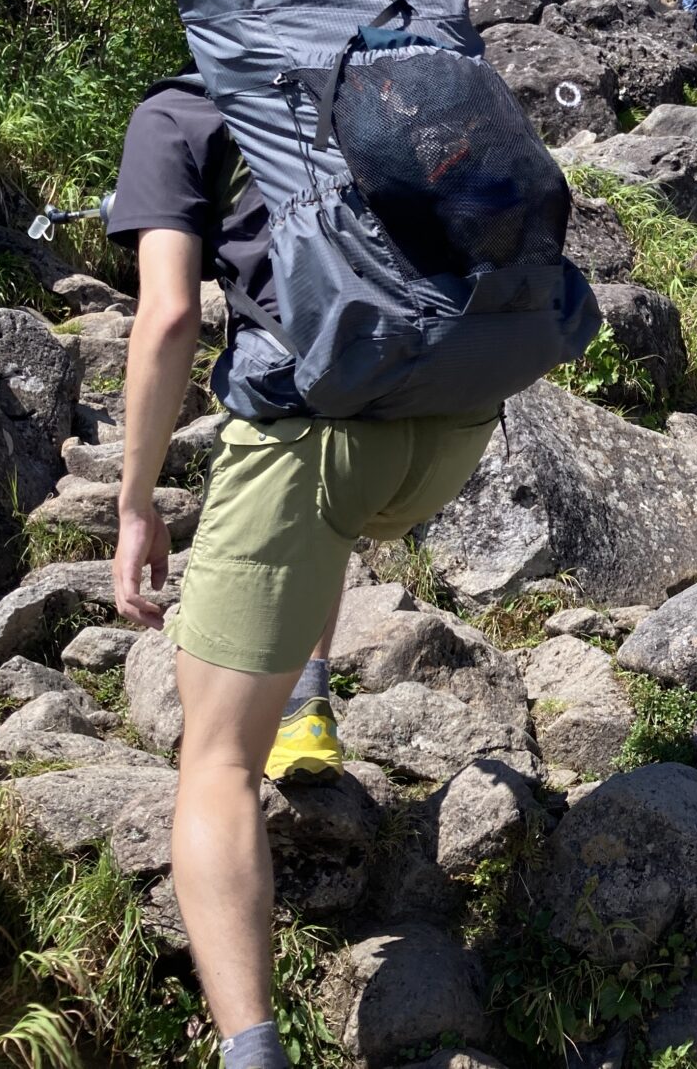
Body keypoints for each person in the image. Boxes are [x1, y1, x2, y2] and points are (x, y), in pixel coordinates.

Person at [106, 74, 503, 1069]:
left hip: (315, 439)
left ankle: (250, 1052)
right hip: (456, 425)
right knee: (326, 530)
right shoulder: (374, 88)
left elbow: (166, 321)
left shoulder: (178, 109)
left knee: (215, 767)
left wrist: (135, 500)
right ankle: (308, 700)